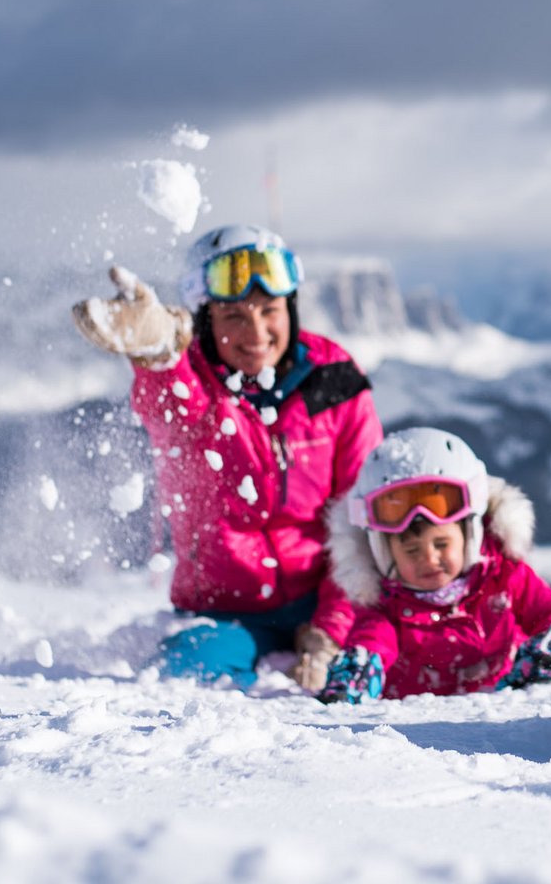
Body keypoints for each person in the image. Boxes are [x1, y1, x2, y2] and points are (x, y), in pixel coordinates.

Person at [72, 225, 381, 688]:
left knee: (385, 660)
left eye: (270, 311)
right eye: (234, 315)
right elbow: (169, 406)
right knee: (184, 678)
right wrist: (158, 357)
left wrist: (329, 630)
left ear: (290, 310)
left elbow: (362, 515)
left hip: (328, 598)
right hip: (226, 613)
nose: (256, 332)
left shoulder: (333, 380)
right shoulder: (191, 380)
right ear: (206, 320)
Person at [313, 426, 551, 702]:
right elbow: (373, 639)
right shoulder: (386, 605)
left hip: (503, 707)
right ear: (384, 554)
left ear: (470, 536)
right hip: (417, 732)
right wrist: (361, 669)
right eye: (411, 551)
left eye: (441, 544)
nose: (429, 559)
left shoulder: (504, 576)